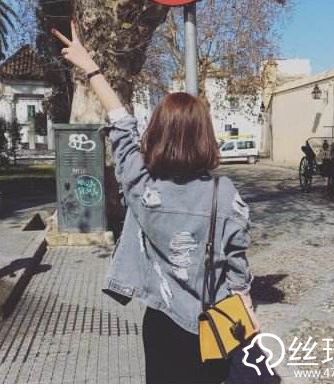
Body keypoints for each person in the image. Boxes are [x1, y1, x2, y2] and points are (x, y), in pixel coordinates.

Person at [52, 21, 258, 384]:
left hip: (161, 322)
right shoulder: (224, 193)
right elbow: (236, 265)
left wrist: (92, 69)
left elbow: (122, 126)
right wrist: (246, 304)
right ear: (205, 136)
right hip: (213, 323)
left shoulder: (141, 185)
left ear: (158, 132)